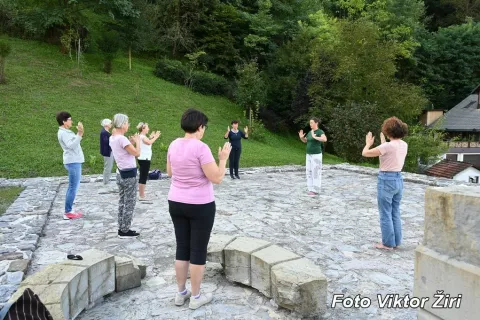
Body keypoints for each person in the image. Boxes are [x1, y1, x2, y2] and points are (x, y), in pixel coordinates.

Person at [167, 108, 231, 309]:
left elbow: (170, 172)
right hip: (200, 205)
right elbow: (217, 178)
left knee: (182, 247)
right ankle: (195, 297)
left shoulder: (173, 144)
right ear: (200, 127)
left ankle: (180, 293)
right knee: (197, 250)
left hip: (176, 202)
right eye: (204, 126)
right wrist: (223, 158)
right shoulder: (201, 148)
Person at [362, 117, 408, 250]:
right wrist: (383, 140)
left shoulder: (387, 146)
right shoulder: (404, 144)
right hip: (398, 179)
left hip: (386, 179)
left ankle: (387, 243)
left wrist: (368, 143)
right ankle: (397, 241)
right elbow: (387, 151)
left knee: (385, 213)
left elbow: (365, 153)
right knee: (395, 211)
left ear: (388, 131)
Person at [109, 114, 141, 239]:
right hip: (129, 174)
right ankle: (125, 230)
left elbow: (124, 150)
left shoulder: (113, 138)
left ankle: (121, 227)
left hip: (120, 172)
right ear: (122, 124)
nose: (128, 126)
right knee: (130, 202)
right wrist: (138, 142)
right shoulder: (122, 139)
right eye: (127, 123)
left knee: (122, 201)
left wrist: (131, 142)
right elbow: (137, 153)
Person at [56, 111, 84, 220]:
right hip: (72, 161)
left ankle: (69, 210)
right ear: (64, 121)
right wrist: (80, 134)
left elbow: (73, 143)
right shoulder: (63, 133)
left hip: (74, 160)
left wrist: (79, 133)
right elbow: (71, 145)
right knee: (73, 187)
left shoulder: (66, 131)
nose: (71, 121)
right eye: (70, 119)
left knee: (73, 187)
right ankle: (68, 212)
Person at [298, 117, 327, 196]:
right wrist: (301, 138)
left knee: (316, 172)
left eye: (311, 122)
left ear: (316, 123)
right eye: (310, 123)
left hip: (316, 154)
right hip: (309, 154)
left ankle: (316, 190)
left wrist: (315, 137)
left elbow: (324, 139)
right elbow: (306, 141)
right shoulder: (310, 132)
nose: (310, 124)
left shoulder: (320, 131)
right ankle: (310, 188)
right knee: (309, 171)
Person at [136, 122, 161, 201]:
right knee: (143, 177)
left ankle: (141, 194)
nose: (148, 129)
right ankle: (141, 195)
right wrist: (155, 137)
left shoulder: (142, 136)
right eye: (147, 127)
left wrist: (151, 137)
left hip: (143, 158)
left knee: (143, 176)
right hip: (144, 159)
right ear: (143, 128)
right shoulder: (142, 137)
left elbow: (148, 141)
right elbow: (149, 142)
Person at [100, 119, 115, 187]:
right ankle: (106, 181)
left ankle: (107, 180)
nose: (111, 124)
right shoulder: (104, 132)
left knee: (109, 166)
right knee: (107, 167)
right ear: (106, 124)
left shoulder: (106, 132)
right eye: (110, 123)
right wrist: (113, 136)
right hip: (107, 152)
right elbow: (107, 142)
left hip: (109, 151)